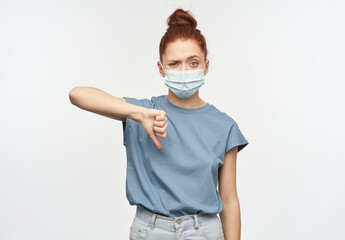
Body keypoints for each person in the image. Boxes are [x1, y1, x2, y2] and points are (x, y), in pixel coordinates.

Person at [69, 8, 249, 240]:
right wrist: (137, 113)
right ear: (161, 68)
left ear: (205, 66)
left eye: (193, 63)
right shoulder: (143, 112)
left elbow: (229, 199)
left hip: (203, 232)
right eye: (174, 64)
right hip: (151, 230)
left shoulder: (225, 126)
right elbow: (77, 95)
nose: (184, 71)